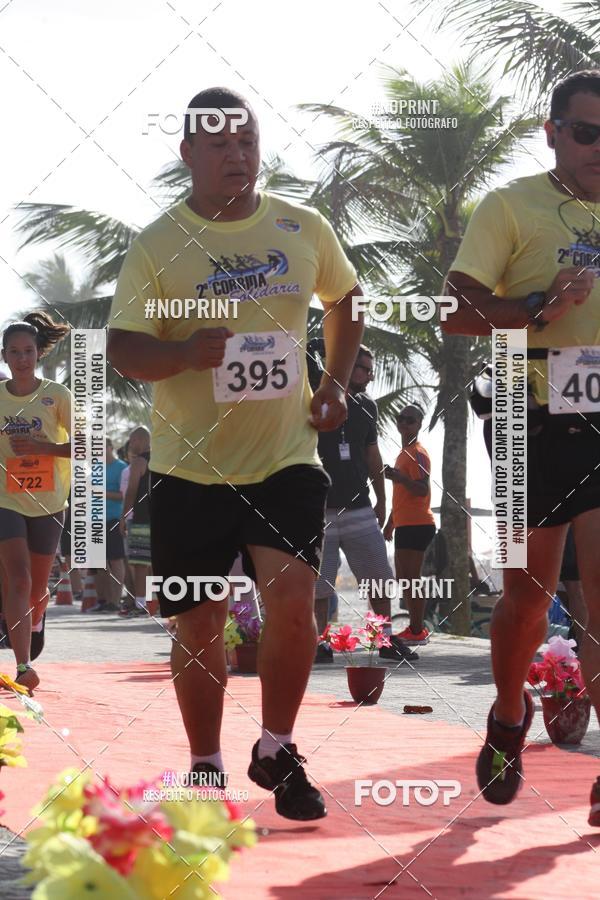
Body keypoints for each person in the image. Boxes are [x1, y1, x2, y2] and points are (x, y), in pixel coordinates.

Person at [108, 86, 364, 820]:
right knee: (198, 626)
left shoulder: (299, 224)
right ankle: (206, 765)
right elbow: (123, 347)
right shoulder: (160, 243)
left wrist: (337, 384)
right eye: (219, 144)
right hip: (190, 469)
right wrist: (185, 351)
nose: (237, 156)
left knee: (292, 604)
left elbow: (346, 299)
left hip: (286, 457)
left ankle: (277, 750)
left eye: (247, 142)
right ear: (187, 153)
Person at [444, 70, 600, 825]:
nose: (598, 148)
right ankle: (509, 713)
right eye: (585, 133)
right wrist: (539, 304)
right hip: (526, 419)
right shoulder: (512, 206)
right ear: (553, 133)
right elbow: (456, 309)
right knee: (526, 604)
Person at [311, 341, 417, 663]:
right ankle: (318, 644)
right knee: (320, 587)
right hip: (321, 510)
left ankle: (381, 640)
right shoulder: (317, 394)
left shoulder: (368, 406)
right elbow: (306, 353)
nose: (369, 377)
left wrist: (383, 500)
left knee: (379, 581)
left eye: (371, 371)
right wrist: (325, 346)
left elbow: (373, 454)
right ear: (344, 364)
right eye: (363, 369)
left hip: (360, 508)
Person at [0, 312, 71, 693]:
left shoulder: (57, 396)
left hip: (47, 501)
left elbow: (87, 445)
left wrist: (45, 448)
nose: (22, 358)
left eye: (28, 351)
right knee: (18, 577)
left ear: (37, 355)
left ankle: (37, 616)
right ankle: (23, 665)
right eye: (15, 352)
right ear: (4, 356)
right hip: (5, 498)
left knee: (35, 590)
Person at [383, 405, 436, 645]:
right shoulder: (404, 453)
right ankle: (415, 629)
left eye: (410, 420)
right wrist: (390, 524)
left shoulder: (418, 452)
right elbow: (401, 498)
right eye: (400, 418)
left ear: (419, 424)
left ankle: (417, 630)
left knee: (411, 578)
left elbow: (422, 488)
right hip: (405, 524)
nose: (404, 423)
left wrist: (400, 478)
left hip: (418, 523)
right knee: (404, 577)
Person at [91, 438, 126, 612]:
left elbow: (123, 495)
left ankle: (116, 601)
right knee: (99, 564)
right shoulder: (95, 468)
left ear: (110, 448)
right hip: (95, 520)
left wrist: (102, 493)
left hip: (113, 518)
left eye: (101, 447)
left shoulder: (121, 467)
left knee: (116, 561)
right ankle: (103, 601)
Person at [120, 426, 152, 616]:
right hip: (158, 517)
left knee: (140, 563)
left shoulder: (139, 462)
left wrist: (124, 516)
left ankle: (140, 604)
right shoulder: (159, 460)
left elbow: (131, 492)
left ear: (140, 440)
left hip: (141, 517)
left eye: (132, 441)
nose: (130, 445)